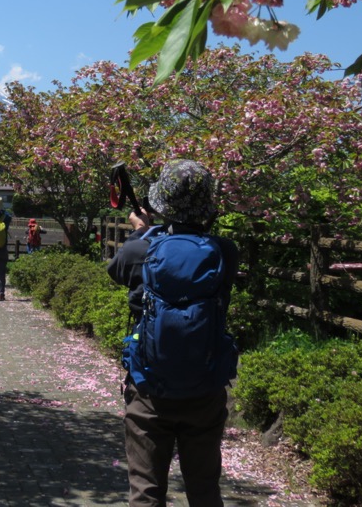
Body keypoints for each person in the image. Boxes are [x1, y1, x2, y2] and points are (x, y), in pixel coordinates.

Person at [106, 159, 239, 507]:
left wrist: (140, 232)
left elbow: (116, 272)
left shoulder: (141, 248)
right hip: (205, 385)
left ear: (161, 203)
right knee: (205, 489)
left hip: (149, 387)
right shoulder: (225, 252)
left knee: (147, 491)